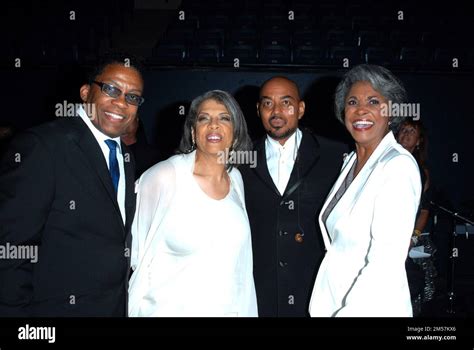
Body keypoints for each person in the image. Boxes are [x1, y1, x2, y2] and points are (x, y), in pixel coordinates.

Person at [0, 56, 143, 316]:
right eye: (111, 89)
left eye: (133, 97)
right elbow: (11, 249)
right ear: (86, 92)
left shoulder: (126, 155)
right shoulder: (43, 146)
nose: (121, 102)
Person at [128, 90, 258, 317]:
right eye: (204, 118)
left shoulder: (236, 179)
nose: (214, 125)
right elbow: (135, 254)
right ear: (193, 131)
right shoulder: (164, 176)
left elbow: (240, 267)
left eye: (224, 118)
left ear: (235, 134)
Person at [309, 64, 422, 317]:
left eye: (373, 101)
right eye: (352, 102)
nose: (361, 110)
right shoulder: (351, 162)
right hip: (333, 302)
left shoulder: (397, 166)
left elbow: (385, 264)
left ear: (391, 112)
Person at [240, 76, 347, 317]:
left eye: (286, 103)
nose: (276, 111)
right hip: (258, 293)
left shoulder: (335, 154)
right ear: (258, 110)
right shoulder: (239, 159)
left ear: (300, 109)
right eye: (267, 104)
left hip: (314, 292)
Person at [397, 119, 437, 313]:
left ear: (419, 141)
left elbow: (423, 210)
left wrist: (413, 237)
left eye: (411, 132)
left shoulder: (422, 172)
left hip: (408, 239)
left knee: (418, 286)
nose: (405, 135)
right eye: (403, 130)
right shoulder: (384, 161)